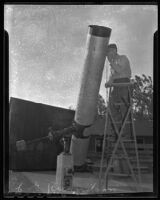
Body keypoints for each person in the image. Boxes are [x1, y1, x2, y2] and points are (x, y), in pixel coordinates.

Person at [105, 44, 132, 139]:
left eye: (110, 51)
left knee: (124, 109)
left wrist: (112, 63)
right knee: (112, 108)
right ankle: (116, 133)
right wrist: (108, 82)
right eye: (107, 52)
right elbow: (113, 76)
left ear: (115, 50)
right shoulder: (113, 62)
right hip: (115, 86)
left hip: (124, 84)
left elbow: (120, 70)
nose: (108, 54)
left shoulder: (123, 58)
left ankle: (125, 134)